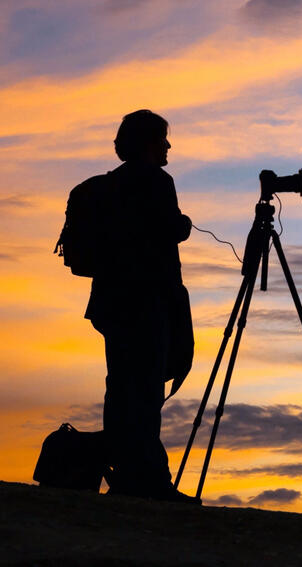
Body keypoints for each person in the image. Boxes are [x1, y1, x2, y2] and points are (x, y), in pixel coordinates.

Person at [85, 109, 196, 503]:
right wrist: (182, 224)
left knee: (120, 388)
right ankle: (148, 481)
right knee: (146, 391)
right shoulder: (156, 181)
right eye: (163, 139)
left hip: (112, 303)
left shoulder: (110, 185)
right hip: (147, 301)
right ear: (149, 143)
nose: (168, 146)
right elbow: (168, 228)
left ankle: (123, 473)